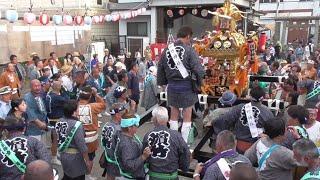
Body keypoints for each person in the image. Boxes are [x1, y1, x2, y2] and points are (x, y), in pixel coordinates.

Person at [157, 26, 205, 143]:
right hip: (187, 88)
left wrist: (162, 83)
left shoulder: (166, 50)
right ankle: (184, 143)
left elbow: (160, 68)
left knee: (174, 114)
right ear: (188, 36)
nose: (190, 41)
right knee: (187, 115)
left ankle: (173, 141)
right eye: (190, 38)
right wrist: (201, 80)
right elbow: (198, 70)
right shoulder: (189, 50)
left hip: (172, 87)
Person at [213, 86, 274, 153]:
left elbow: (224, 120)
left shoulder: (240, 107)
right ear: (263, 98)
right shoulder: (268, 112)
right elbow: (272, 130)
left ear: (250, 96)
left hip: (239, 146)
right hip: (258, 148)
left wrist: (213, 122)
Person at [143, 106, 190, 179]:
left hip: (154, 176)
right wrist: (184, 168)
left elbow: (144, 156)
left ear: (154, 119)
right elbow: (186, 152)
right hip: (171, 176)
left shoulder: (147, 135)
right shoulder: (176, 135)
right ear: (167, 119)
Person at [55, 100, 93, 180]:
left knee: (67, 175)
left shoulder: (59, 121)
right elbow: (82, 146)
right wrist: (87, 161)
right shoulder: (77, 125)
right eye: (78, 109)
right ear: (74, 112)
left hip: (63, 154)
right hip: (75, 158)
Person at [115, 113, 151, 179]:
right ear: (129, 128)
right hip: (132, 176)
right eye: (136, 125)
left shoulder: (121, 134)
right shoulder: (127, 144)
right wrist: (143, 156)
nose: (138, 126)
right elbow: (129, 166)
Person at [77, 87, 106, 166]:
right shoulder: (93, 107)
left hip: (77, 136)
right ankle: (88, 175)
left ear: (79, 97)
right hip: (91, 138)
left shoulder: (73, 107)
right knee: (90, 158)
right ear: (90, 97)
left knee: (78, 156)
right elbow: (103, 105)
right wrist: (96, 94)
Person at [46, 81, 69, 165]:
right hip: (55, 120)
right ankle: (54, 157)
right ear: (59, 87)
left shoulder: (49, 94)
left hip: (51, 119)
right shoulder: (57, 97)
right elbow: (67, 99)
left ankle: (55, 153)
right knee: (55, 140)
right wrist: (64, 90)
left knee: (55, 139)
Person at [100, 103, 125, 180]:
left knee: (110, 175)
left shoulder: (107, 125)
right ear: (117, 115)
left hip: (108, 156)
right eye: (123, 114)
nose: (125, 116)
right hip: (116, 159)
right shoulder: (119, 130)